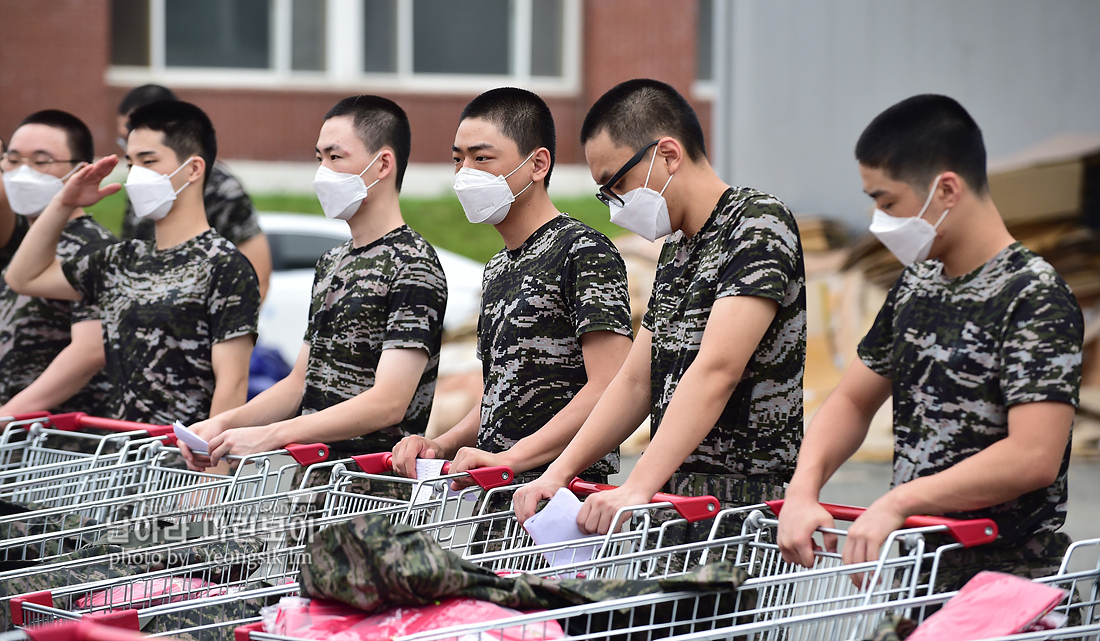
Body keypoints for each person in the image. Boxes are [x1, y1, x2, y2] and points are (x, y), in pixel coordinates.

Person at [775, 94, 1081, 590]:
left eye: (887, 201)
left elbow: (1033, 456)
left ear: (946, 190)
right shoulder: (918, 283)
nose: (879, 220)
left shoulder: (1033, 295)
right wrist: (803, 490)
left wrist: (899, 502)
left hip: (1008, 587)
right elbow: (853, 399)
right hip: (923, 577)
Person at [513, 79, 806, 536]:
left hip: (739, 506)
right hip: (671, 497)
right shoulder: (678, 249)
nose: (614, 205)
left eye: (617, 184)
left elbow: (717, 369)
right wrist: (559, 472)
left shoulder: (757, 223)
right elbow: (634, 382)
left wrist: (636, 485)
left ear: (668, 155)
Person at [179, 95, 446, 465]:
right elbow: (298, 384)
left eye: (335, 157)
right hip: (312, 485)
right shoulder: (331, 263)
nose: (323, 171)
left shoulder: (413, 264)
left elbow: (389, 403)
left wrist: (272, 435)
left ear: (383, 163)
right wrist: (221, 425)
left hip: (369, 493)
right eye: (319, 158)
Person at [391, 87, 633, 487]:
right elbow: (498, 391)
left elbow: (612, 386)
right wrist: (441, 443)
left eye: (482, 158)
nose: (465, 173)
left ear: (537, 164)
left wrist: (513, 458)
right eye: (458, 160)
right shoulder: (497, 268)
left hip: (561, 497)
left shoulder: (582, 251)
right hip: (497, 496)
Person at [5, 100, 259, 426]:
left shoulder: (224, 265)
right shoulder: (122, 259)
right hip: (124, 459)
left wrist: (213, 471)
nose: (136, 173)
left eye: (149, 160)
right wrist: (64, 201)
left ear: (193, 169)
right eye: (131, 162)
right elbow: (23, 278)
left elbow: (233, 384)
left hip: (180, 460)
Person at [0, 111, 117, 417]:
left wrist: (8, 415)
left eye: (41, 162)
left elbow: (90, 351)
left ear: (80, 171)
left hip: (60, 445)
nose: (22, 173)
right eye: (12, 160)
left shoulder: (94, 248)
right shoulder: (18, 242)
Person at [116, 84, 272, 301]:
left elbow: (258, 276)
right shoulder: (140, 180)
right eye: (125, 139)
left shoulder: (222, 190)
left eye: (149, 159)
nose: (128, 147)